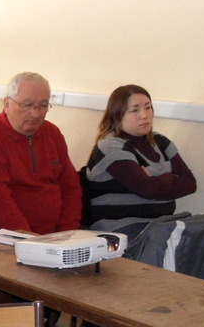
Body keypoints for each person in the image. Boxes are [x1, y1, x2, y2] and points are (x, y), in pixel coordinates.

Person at [0, 72, 81, 235]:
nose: (36, 114)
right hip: (3, 233)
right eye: (26, 105)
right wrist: (27, 238)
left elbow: (70, 188)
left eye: (43, 106)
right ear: (7, 104)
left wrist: (67, 233)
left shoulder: (52, 133)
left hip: (54, 235)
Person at [84, 84, 196, 236]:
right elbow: (146, 188)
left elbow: (190, 183)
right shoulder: (112, 146)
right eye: (134, 110)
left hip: (159, 224)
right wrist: (172, 175)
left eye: (148, 107)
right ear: (118, 115)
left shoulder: (161, 142)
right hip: (120, 228)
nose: (144, 115)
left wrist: (152, 171)